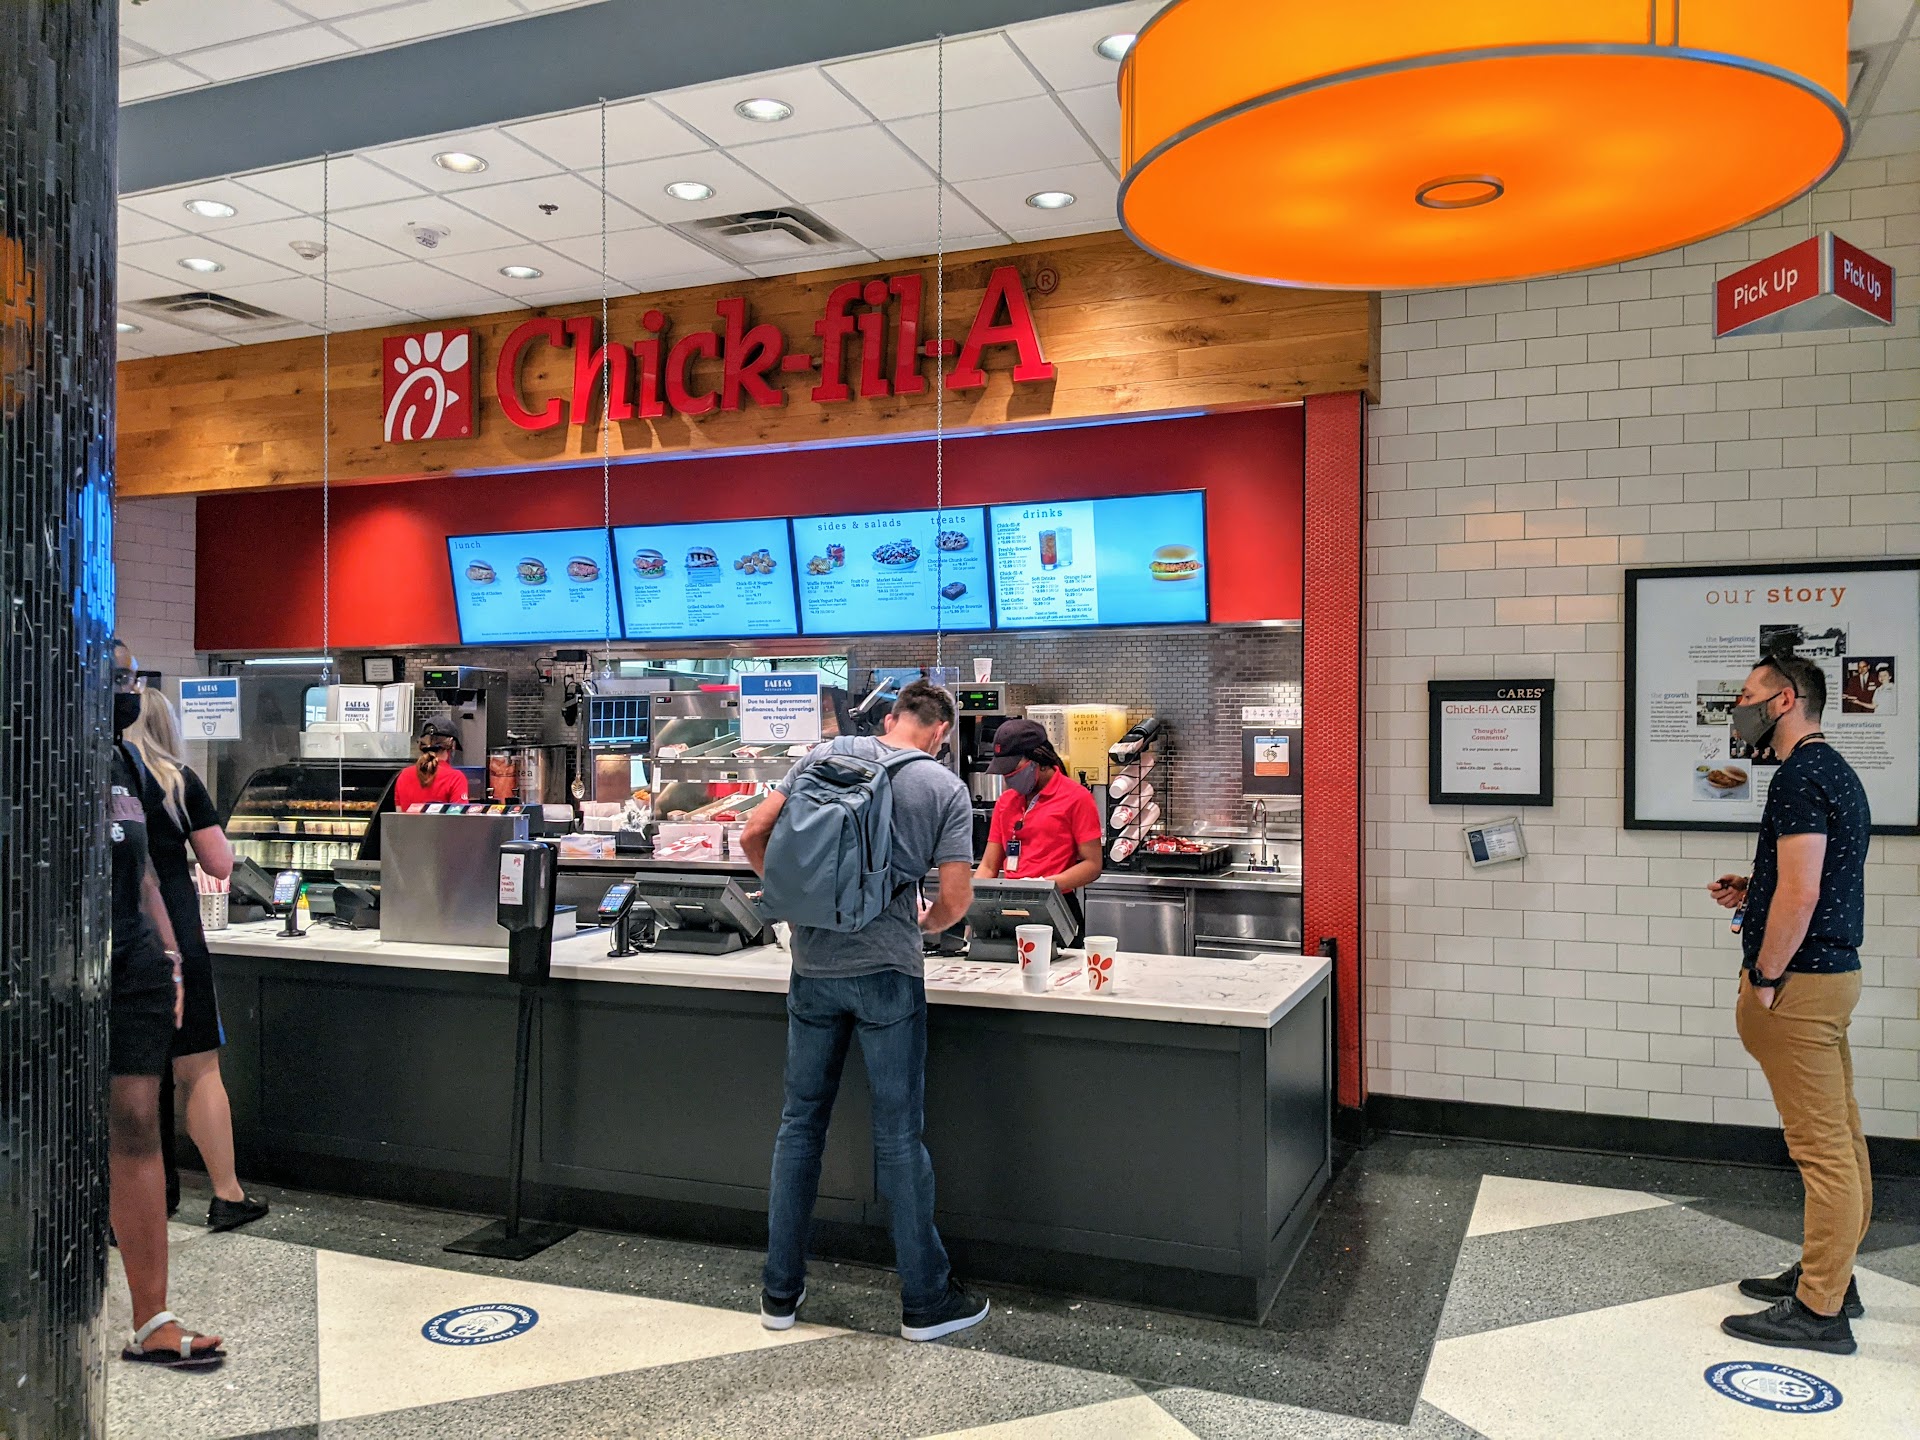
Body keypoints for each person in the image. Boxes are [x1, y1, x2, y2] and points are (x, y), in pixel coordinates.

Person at [740, 681, 989, 1343]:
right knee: (898, 1139)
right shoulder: (942, 788)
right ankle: (925, 1302)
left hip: (813, 970)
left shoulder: (821, 756)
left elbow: (753, 833)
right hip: (887, 974)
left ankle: (779, 1294)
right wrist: (925, 923)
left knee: (799, 1128)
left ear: (891, 717)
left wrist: (795, 898)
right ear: (940, 732)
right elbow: (957, 898)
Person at [1706, 645, 1871, 1355]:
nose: (1738, 708)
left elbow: (1803, 895)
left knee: (1821, 1149)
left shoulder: (1800, 775)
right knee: (1843, 1137)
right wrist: (1756, 889)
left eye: (1748, 696)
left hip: (1800, 985)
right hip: (1831, 975)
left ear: (1784, 701)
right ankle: (1833, 1276)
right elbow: (1813, 879)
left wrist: (1766, 976)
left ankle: (1819, 1311)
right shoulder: (1835, 771)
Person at [109, 642, 226, 1368]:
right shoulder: (35, 756)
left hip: (135, 961)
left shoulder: (124, 763)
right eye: (111, 675)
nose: (124, 688)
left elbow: (145, 869)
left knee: (136, 1125)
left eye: (128, 677)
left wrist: (168, 953)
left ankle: (152, 1317)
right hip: (55, 968)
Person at [123, 688, 269, 1233]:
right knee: (199, 1068)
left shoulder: (106, 780)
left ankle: (141, 1197)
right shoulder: (177, 780)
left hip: (121, 933)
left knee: (130, 1075)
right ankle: (228, 1194)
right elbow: (220, 863)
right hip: (178, 937)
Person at [973, 719, 1103, 928]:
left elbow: (1093, 865)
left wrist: (1043, 886)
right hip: (1008, 906)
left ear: (1039, 760)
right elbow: (989, 865)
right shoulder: (1006, 802)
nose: (1008, 778)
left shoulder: (1077, 798)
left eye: (1013, 770)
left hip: (1057, 904)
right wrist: (974, 907)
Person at [394, 722, 469, 809]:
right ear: (452, 745)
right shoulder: (456, 778)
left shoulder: (404, 775)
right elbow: (459, 815)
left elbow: (399, 814)